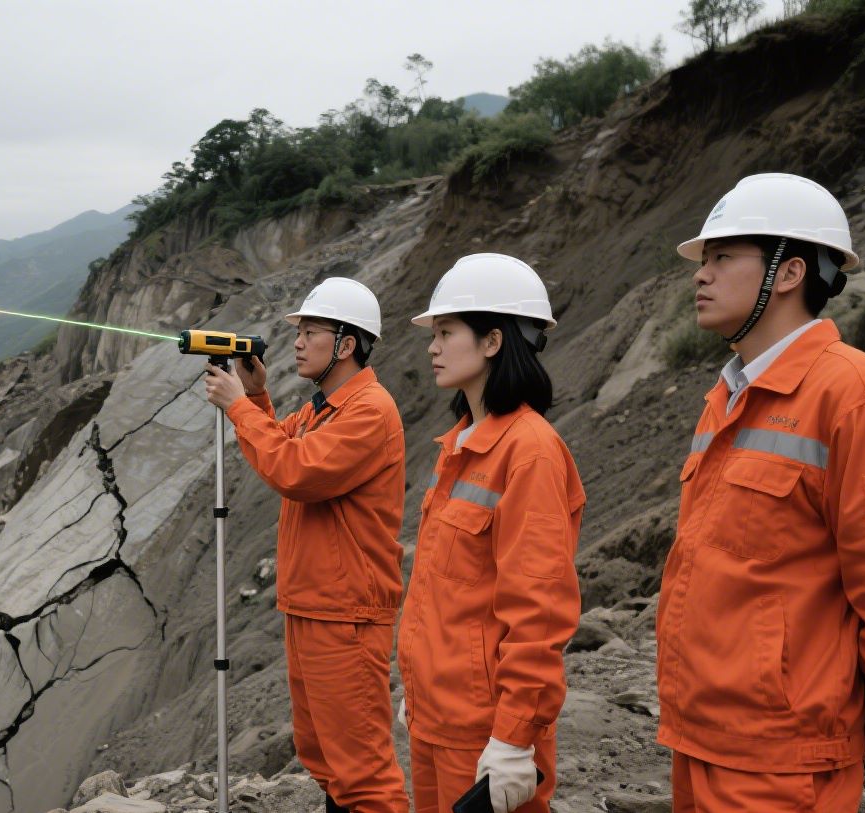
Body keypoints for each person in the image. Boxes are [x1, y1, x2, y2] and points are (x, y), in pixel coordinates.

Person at [658, 173, 865, 810]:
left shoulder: (858, 397)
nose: (701, 274)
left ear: (790, 272)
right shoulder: (730, 396)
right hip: (700, 738)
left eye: (722, 258)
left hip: (782, 759)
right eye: (703, 260)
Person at [203, 276, 407, 813]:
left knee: (361, 772)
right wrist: (256, 396)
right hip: (315, 607)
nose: (296, 341)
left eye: (310, 331)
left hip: (347, 614)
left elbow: (295, 471)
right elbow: (278, 444)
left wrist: (237, 407)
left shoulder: (369, 412)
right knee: (322, 754)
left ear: (345, 344)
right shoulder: (325, 408)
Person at [395, 253, 584, 813]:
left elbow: (539, 611)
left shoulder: (530, 453)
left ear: (493, 342)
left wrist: (513, 738)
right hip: (438, 719)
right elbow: (448, 591)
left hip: (483, 733)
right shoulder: (461, 445)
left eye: (446, 331)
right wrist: (419, 686)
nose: (432, 346)